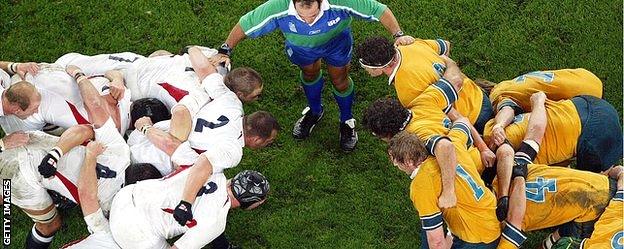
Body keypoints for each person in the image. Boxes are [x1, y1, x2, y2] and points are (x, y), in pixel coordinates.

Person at [216, 0, 416, 152]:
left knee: (340, 81)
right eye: (303, 17)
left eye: (313, 15)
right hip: (302, 49)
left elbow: (378, 9)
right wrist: (225, 50)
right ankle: (314, 111)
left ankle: (346, 120)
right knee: (310, 73)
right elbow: (246, 24)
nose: (309, 22)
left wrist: (398, 35)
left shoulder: (342, 2)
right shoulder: (277, 7)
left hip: (337, 44)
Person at [387, 122, 500, 248]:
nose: (395, 166)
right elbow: (463, 122)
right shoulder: (453, 143)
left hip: (476, 238)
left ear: (408, 162)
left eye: (396, 162)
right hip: (491, 215)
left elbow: (437, 242)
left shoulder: (421, 186)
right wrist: (483, 148)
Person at [109, 169, 270, 249]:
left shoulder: (211, 169)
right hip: (131, 232)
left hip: (125, 195)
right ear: (250, 202)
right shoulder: (216, 221)